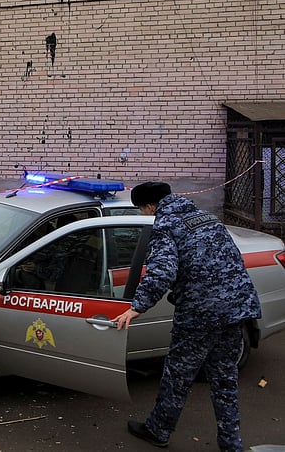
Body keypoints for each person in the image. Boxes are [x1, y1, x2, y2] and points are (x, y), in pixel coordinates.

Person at [113, 182, 261, 450]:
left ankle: (158, 430)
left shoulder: (166, 226)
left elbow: (163, 271)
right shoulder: (207, 218)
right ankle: (231, 444)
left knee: (177, 377)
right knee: (225, 379)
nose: (147, 215)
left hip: (200, 316)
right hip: (236, 309)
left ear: (149, 206)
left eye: (143, 210)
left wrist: (137, 307)